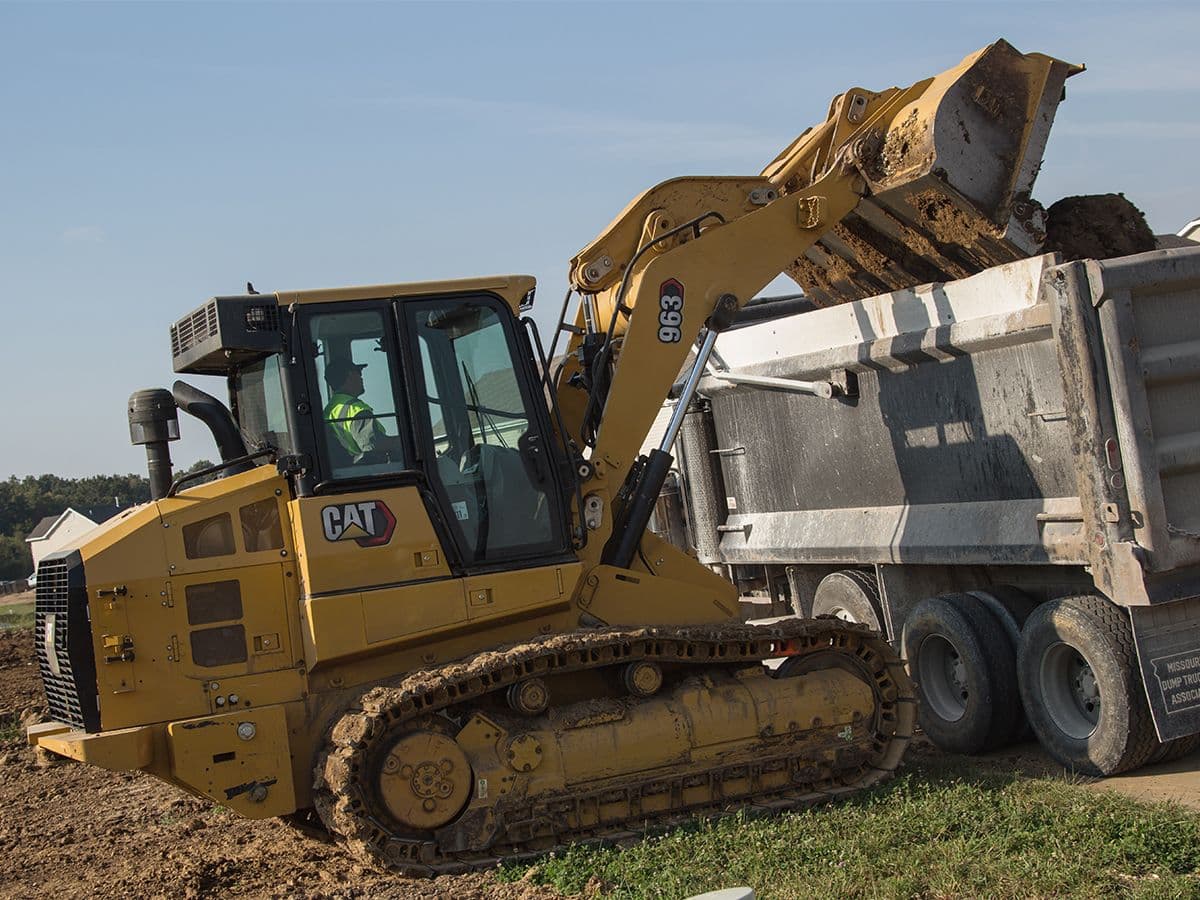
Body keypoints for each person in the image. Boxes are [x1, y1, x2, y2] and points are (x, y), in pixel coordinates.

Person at [323, 359, 395, 462]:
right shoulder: (355, 409)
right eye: (359, 373)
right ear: (350, 376)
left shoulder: (330, 410)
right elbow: (374, 447)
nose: (361, 378)